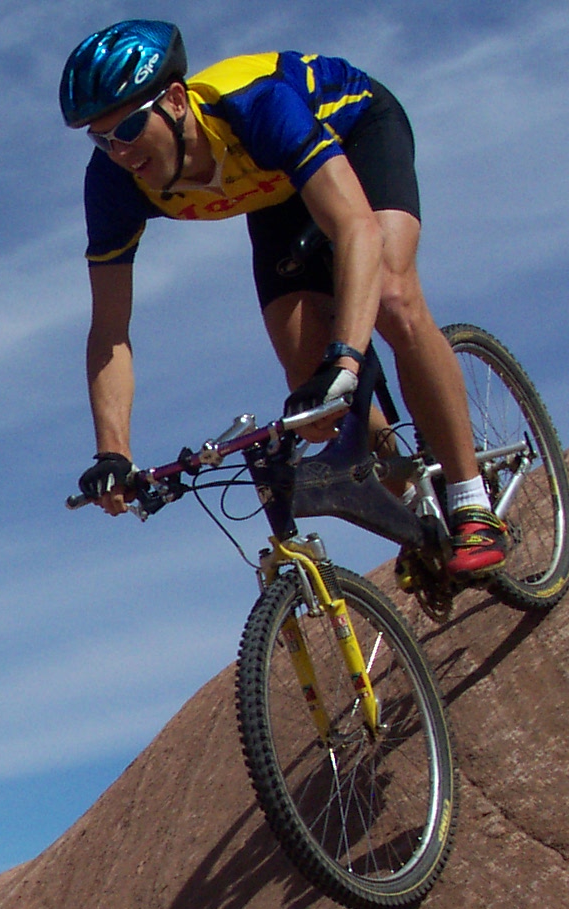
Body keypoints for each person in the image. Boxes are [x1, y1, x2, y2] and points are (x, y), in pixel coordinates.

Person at [63, 20, 503, 577]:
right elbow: (109, 331)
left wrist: (345, 359)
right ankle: (415, 500)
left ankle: (471, 502)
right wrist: (113, 453)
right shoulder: (112, 182)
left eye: (128, 127)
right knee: (308, 387)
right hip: (275, 193)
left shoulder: (256, 106)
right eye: (101, 139)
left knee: (391, 295)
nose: (119, 151)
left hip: (352, 134)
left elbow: (357, 229)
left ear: (174, 100)